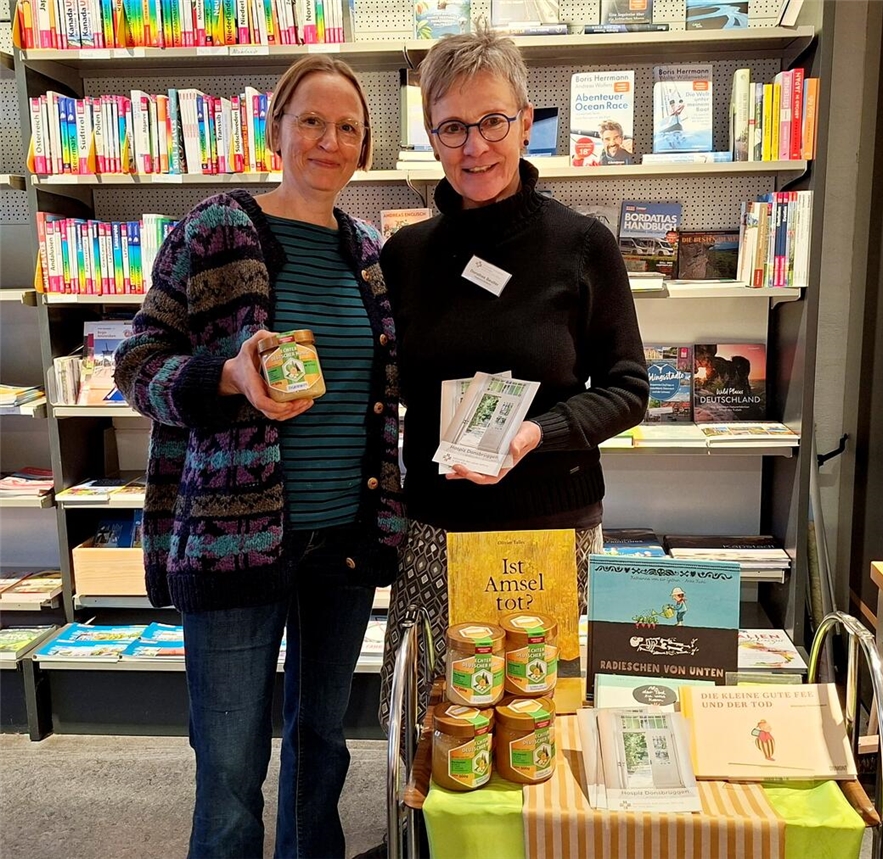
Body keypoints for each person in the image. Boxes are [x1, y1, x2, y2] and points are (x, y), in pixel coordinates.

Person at [113, 55, 405, 859]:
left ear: (364, 146)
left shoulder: (368, 254)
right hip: (233, 539)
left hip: (342, 540)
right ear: (275, 127)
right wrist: (228, 375)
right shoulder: (213, 230)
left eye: (347, 126)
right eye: (310, 119)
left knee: (322, 742)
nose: (328, 139)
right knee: (233, 765)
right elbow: (137, 367)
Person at [378, 28, 649, 722]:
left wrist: (535, 433)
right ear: (432, 136)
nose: (475, 146)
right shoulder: (405, 254)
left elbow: (627, 388)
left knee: (543, 724)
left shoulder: (583, 243)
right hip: (440, 533)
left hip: (552, 532)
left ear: (527, 122)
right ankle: (428, 839)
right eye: (454, 127)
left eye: (493, 121)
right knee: (434, 720)